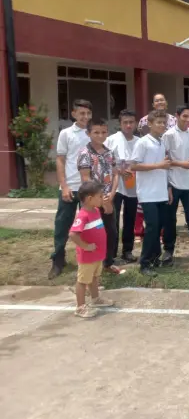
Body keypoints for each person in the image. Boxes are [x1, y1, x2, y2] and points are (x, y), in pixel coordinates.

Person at [50, 99, 92, 279]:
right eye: (82, 113)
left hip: (88, 188)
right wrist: (64, 185)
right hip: (70, 188)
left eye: (88, 113)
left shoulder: (94, 133)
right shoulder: (66, 134)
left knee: (89, 226)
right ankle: (58, 260)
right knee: (63, 224)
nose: (85, 117)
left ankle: (90, 257)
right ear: (73, 114)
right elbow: (60, 160)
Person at [77, 118, 121, 275]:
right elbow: (86, 179)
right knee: (93, 233)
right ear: (88, 133)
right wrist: (100, 199)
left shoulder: (109, 152)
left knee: (111, 232)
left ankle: (108, 262)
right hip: (93, 202)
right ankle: (92, 264)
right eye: (96, 132)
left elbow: (116, 174)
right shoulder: (85, 153)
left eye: (103, 132)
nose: (100, 135)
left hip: (109, 199)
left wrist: (112, 194)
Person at [161, 105, 189, 263]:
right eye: (184, 116)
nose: (187, 120)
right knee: (170, 219)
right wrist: (180, 164)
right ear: (177, 116)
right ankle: (168, 250)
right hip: (174, 183)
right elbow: (164, 161)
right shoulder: (169, 135)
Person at [131, 111, 169, 275]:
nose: (161, 125)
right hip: (147, 193)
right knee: (152, 227)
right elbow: (134, 166)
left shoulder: (161, 142)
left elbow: (165, 168)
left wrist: (168, 188)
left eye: (163, 122)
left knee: (158, 227)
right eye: (158, 122)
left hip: (161, 191)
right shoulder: (143, 143)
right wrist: (158, 166)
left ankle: (155, 257)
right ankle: (144, 263)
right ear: (150, 124)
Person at [69, 181, 115, 318]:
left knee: (94, 277)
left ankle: (95, 299)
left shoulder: (95, 210)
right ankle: (80, 307)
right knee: (83, 281)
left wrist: (106, 202)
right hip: (88, 256)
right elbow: (73, 234)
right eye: (100, 196)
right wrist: (86, 246)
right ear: (90, 199)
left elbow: (109, 210)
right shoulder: (83, 215)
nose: (102, 198)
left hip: (97, 255)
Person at [106, 109, 139, 264]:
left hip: (133, 186)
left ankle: (127, 250)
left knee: (130, 219)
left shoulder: (140, 142)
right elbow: (105, 160)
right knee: (113, 219)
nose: (128, 125)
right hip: (116, 186)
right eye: (125, 122)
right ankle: (111, 252)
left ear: (136, 123)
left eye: (131, 122)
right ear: (120, 124)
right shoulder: (111, 140)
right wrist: (118, 170)